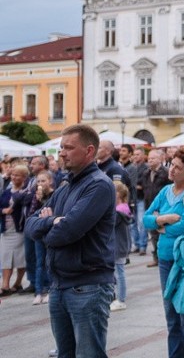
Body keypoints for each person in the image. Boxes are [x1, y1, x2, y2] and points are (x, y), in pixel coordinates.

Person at [25, 124, 116, 358]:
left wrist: (52, 226)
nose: (61, 153)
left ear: (88, 151)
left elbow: (67, 232)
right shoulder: (65, 186)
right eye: (61, 147)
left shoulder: (99, 185)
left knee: (88, 354)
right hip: (59, 284)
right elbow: (30, 225)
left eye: (68, 147)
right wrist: (51, 222)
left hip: (87, 285)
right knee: (65, 354)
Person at [144, 149, 184, 358]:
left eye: (178, 167)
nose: (172, 170)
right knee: (172, 317)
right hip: (165, 259)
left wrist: (160, 226)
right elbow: (146, 218)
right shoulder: (164, 192)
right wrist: (163, 219)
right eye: (172, 164)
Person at [1, 163, 32, 296]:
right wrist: (3, 210)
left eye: (17, 175)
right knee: (5, 257)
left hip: (19, 229)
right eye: (12, 174)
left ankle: (17, 283)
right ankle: (5, 285)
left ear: (24, 177)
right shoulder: (6, 192)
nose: (13, 177)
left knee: (20, 258)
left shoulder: (27, 192)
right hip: (6, 230)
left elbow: (24, 203)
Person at [29, 169, 54, 304]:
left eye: (43, 181)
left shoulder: (54, 194)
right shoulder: (36, 196)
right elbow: (32, 213)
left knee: (49, 261)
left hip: (50, 232)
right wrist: (38, 200)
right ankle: (38, 292)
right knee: (39, 262)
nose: (40, 183)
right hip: (40, 232)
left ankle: (51, 289)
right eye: (38, 181)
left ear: (50, 181)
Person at [140, 149, 170, 267]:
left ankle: (163, 256)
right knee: (153, 233)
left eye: (153, 158)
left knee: (162, 232)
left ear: (160, 159)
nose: (150, 161)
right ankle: (156, 257)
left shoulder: (165, 172)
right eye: (149, 159)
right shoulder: (146, 173)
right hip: (150, 205)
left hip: (162, 207)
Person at [111, 182, 132, 311]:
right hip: (119, 245)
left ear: (118, 194)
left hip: (118, 245)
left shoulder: (118, 212)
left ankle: (121, 299)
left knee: (119, 272)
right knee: (117, 272)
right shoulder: (123, 209)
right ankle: (116, 298)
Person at [129, 147, 149, 255]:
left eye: (138, 154)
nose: (135, 156)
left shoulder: (146, 168)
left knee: (141, 222)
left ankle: (142, 245)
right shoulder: (132, 168)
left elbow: (144, 184)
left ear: (143, 155)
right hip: (132, 197)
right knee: (132, 223)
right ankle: (136, 244)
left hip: (141, 198)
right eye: (134, 154)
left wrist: (138, 185)